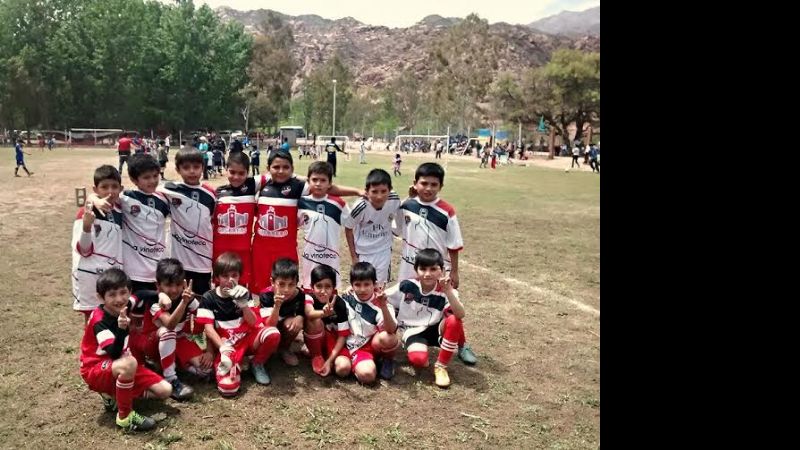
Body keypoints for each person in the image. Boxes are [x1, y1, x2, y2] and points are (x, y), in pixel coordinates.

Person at [395, 162, 477, 365]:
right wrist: (407, 198)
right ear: (415, 183)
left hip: (437, 269)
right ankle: (400, 340)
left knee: (448, 308)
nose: (429, 188)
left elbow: (454, 244)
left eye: (434, 184)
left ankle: (462, 344)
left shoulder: (446, 211)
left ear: (441, 186)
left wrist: (454, 272)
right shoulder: (407, 206)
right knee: (404, 300)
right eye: (424, 183)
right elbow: (396, 228)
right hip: (410, 266)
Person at [79, 269, 172, 431]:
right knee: (129, 363)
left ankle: (114, 394)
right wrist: (122, 329)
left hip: (120, 363)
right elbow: (114, 353)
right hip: (95, 368)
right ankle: (125, 416)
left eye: (123, 293)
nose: (119, 299)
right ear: (101, 298)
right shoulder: (99, 320)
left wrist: (160, 295)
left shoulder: (124, 304)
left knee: (165, 390)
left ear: (129, 292)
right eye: (112, 295)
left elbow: (142, 295)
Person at [197, 252, 280, 394]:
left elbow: (253, 322)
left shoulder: (244, 292)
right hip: (226, 343)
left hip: (247, 338)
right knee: (228, 388)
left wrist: (243, 305)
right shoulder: (208, 297)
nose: (230, 280)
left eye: (234, 275)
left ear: (239, 276)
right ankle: (235, 363)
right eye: (224, 276)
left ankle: (257, 363)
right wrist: (222, 348)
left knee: (272, 333)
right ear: (216, 277)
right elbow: (208, 329)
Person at [387, 248, 467, 388]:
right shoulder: (407, 286)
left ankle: (441, 366)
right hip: (413, 331)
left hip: (435, 328)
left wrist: (448, 291)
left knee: (455, 320)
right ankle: (420, 348)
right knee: (419, 360)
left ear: (441, 270)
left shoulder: (447, 289)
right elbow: (382, 298)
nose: (428, 274)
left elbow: (460, 314)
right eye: (423, 269)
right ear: (416, 269)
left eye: (433, 269)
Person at [158, 149, 216, 294]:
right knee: (178, 299)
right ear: (178, 169)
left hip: (203, 261)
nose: (192, 171)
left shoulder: (211, 194)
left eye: (196, 167)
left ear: (203, 168)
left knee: (201, 300)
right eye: (186, 167)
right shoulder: (169, 189)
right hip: (179, 262)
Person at [72, 166, 123, 323]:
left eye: (114, 187)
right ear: (96, 189)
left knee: (114, 317)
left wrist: (93, 198)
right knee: (94, 320)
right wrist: (87, 228)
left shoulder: (120, 209)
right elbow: (84, 250)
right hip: (91, 276)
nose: (110, 191)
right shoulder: (86, 213)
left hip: (112, 276)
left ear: (121, 188)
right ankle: (91, 348)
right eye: (104, 187)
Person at [340, 262, 399, 383]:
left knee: (388, 338)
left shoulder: (381, 302)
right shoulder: (347, 297)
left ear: (375, 284)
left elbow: (392, 330)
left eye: (367, 284)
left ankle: (386, 360)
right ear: (351, 285)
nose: (362, 289)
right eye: (357, 285)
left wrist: (383, 306)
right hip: (345, 343)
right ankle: (354, 363)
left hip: (367, 346)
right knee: (342, 369)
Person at [343, 169, 401, 284]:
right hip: (363, 252)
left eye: (384, 191)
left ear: (390, 190)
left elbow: (396, 216)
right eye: (374, 192)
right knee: (363, 286)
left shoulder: (394, 200)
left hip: (384, 250)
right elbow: (348, 228)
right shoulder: (361, 206)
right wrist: (354, 257)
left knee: (380, 286)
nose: (379, 196)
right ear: (366, 191)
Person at [297, 161, 349, 290]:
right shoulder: (302, 202)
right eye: (314, 180)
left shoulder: (339, 203)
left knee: (330, 290)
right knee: (310, 288)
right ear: (308, 181)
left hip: (331, 256)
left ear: (330, 183)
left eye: (323, 180)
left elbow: (351, 224)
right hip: (310, 256)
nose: (318, 184)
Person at [302, 264, 351, 376]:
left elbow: (343, 335)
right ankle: (317, 355)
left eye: (328, 286)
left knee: (343, 369)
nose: (323, 291)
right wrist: (323, 313)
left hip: (335, 342)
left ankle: (328, 357)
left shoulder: (339, 303)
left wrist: (330, 360)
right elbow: (309, 314)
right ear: (311, 286)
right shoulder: (309, 298)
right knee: (314, 320)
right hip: (318, 336)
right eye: (319, 286)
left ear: (334, 288)